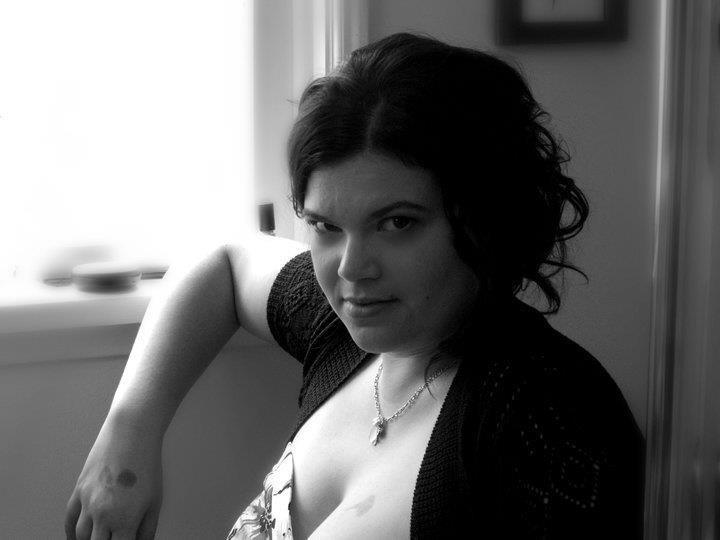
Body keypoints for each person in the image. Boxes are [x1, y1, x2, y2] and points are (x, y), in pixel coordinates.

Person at [65, 32, 645, 539]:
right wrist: (127, 439)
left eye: (397, 224)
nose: (351, 268)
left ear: (484, 218)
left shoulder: (549, 416)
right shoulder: (347, 331)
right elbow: (221, 261)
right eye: (326, 226)